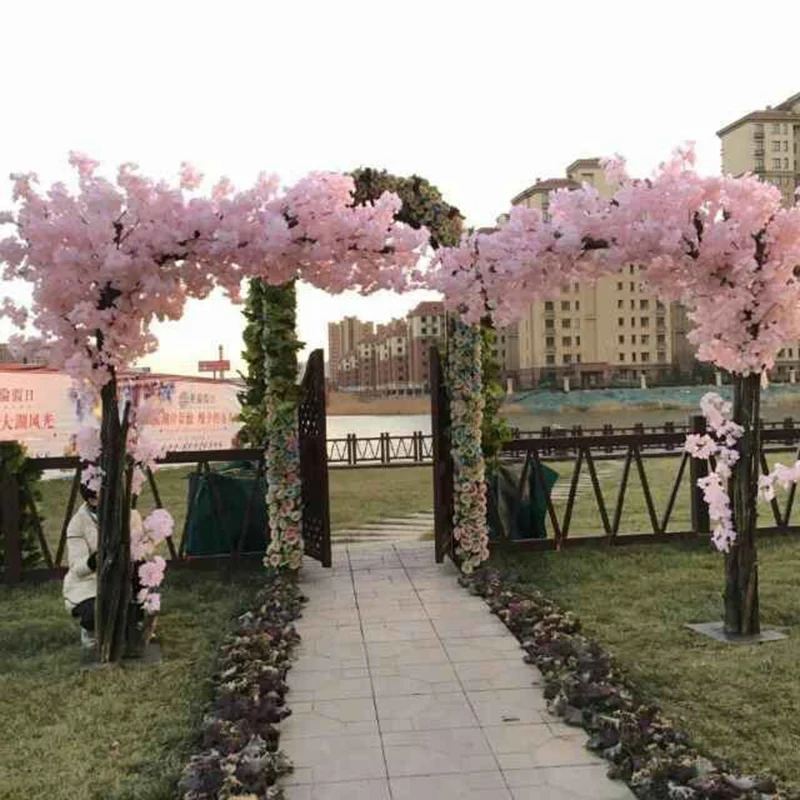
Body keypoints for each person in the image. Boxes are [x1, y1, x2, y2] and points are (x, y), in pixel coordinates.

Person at [63, 480, 143, 653]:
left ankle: (134, 628)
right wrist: (96, 560)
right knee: (97, 613)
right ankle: (90, 632)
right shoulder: (78, 523)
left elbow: (141, 549)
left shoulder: (132, 515)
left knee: (137, 608)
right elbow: (78, 568)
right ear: (91, 500)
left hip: (123, 576)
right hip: (90, 584)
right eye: (102, 496)